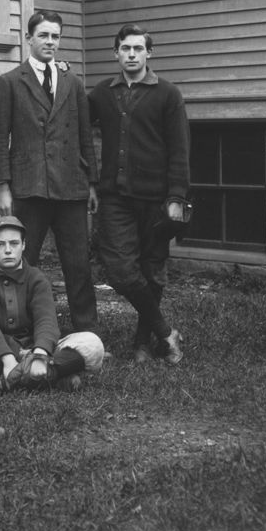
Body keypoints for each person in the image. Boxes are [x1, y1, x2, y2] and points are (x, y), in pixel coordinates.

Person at [0, 10, 100, 332]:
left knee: (78, 265)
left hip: (70, 186)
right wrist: (3, 187)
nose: (50, 42)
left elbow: (84, 137)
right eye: (43, 36)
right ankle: (20, 331)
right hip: (29, 186)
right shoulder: (10, 82)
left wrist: (91, 182)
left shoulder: (72, 82)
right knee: (24, 263)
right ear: (29, 39)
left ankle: (86, 332)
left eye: (55, 36)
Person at [88, 23, 189, 364]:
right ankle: (165, 332)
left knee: (152, 270)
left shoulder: (167, 94)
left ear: (149, 53)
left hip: (157, 199)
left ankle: (142, 343)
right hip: (115, 197)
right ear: (115, 53)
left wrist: (176, 197)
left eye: (138, 49)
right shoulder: (102, 93)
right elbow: (77, 125)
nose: (131, 54)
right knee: (119, 269)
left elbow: (179, 149)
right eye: (125, 49)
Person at [0, 216, 105, 398]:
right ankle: (53, 378)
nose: (8, 250)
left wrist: (40, 354)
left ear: (23, 245)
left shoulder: (36, 277)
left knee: (92, 344)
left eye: (14, 243)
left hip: (34, 347)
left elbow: (46, 319)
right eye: (0, 244)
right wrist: (8, 357)